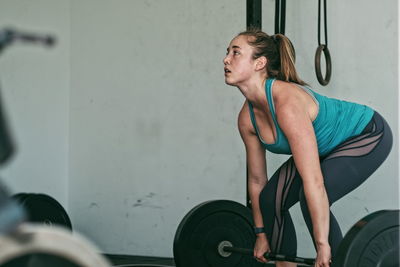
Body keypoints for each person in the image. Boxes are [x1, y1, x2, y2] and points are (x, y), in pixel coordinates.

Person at [223, 28, 392, 267]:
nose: (226, 58)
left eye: (236, 53)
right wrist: (261, 235)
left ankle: (338, 262)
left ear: (259, 63)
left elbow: (313, 181)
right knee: (271, 198)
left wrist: (323, 246)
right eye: (227, 52)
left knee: (308, 195)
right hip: (324, 148)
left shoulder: (287, 103)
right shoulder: (247, 119)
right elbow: (257, 182)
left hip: (366, 133)